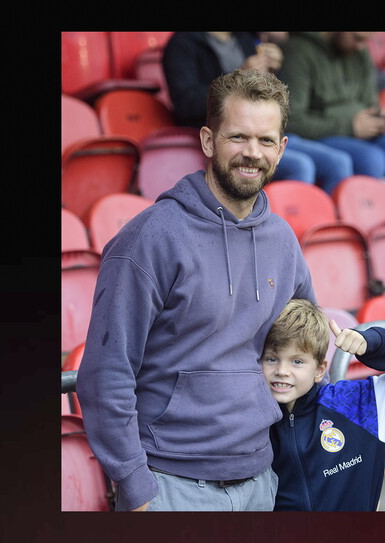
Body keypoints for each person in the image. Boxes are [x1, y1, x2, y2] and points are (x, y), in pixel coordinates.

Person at [76, 69, 317, 512]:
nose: (252, 153)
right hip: (171, 485)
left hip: (260, 480)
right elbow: (106, 373)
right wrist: (136, 488)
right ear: (208, 141)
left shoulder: (283, 241)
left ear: (282, 150)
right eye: (238, 137)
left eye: (266, 141)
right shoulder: (150, 238)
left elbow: (305, 346)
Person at [260, 298, 385, 511]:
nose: (282, 371)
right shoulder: (254, 418)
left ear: (319, 370)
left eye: (297, 361)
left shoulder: (359, 404)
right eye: (271, 359)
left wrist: (372, 343)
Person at [162, 31, 353, 189]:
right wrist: (239, 75)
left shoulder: (244, 37)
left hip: (259, 126)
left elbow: (265, 92)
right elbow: (185, 102)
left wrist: (274, 68)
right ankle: (278, 230)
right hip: (222, 132)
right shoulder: (182, 43)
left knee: (337, 162)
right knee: (300, 165)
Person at [278, 31, 385, 193]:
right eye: (357, 38)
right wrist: (350, 128)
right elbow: (292, 121)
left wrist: (382, 120)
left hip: (366, 135)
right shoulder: (299, 51)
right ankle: (353, 214)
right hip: (323, 136)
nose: (360, 46)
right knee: (371, 159)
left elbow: (370, 104)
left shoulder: (359, 52)